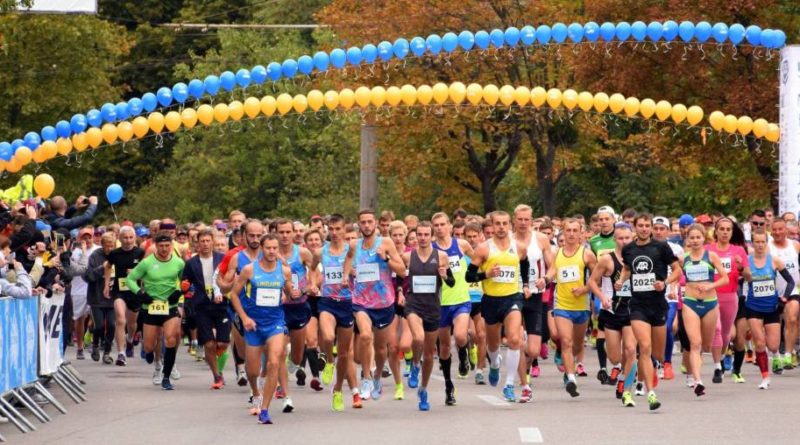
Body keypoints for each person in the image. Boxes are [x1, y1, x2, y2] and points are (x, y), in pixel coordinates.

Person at [616, 213, 681, 411]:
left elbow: (677, 270)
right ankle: (648, 393)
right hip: (638, 305)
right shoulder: (629, 249)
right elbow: (627, 268)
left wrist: (665, 283)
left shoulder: (661, 247)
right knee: (643, 347)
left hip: (658, 305)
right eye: (641, 225)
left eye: (647, 225)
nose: (644, 229)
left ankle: (652, 370)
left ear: (651, 228)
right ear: (635, 227)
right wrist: (622, 280)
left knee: (657, 355)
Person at [228, 233, 296, 425]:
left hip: (275, 323)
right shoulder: (250, 270)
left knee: (274, 362)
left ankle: (265, 410)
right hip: (254, 325)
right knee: (252, 371)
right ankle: (256, 392)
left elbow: (290, 293)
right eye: (268, 248)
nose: (272, 251)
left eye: (275, 248)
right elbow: (233, 295)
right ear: (262, 249)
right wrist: (245, 318)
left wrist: (293, 292)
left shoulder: (284, 271)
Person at [466, 211, 530, 402]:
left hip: (513, 298)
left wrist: (526, 284)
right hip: (491, 301)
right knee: (493, 345)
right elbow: (469, 276)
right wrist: (486, 275)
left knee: (514, 339)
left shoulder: (519, 247)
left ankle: (509, 384)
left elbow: (524, 265)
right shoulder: (484, 249)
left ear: (510, 225)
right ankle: (494, 364)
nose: (501, 227)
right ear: (492, 226)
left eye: (504, 223)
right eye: (497, 224)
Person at [343, 209, 406, 401]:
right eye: (363, 222)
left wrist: (386, 258)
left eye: (370, 221)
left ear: (376, 223)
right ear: (359, 224)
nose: (367, 225)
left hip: (384, 302)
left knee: (380, 350)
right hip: (361, 301)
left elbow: (402, 271)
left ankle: (377, 374)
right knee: (365, 335)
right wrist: (346, 275)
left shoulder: (385, 243)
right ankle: (366, 378)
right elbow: (348, 260)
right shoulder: (354, 245)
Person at [310, 214, 362, 411]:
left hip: (347, 303)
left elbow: (362, 272)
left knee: (344, 354)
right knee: (328, 336)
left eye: (338, 229)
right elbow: (312, 270)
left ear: (344, 229)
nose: (334, 232)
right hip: (327, 301)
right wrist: (313, 284)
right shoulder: (320, 252)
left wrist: (353, 274)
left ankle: (338, 389)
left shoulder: (352, 251)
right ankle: (329, 362)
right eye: (331, 229)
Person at [402, 221, 455, 410]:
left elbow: (451, 283)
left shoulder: (441, 256)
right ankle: (415, 364)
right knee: (418, 338)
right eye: (420, 235)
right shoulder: (408, 256)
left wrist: (444, 276)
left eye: (426, 235)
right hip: (413, 305)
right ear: (415, 236)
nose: (423, 238)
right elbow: (398, 277)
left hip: (433, 307)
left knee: (430, 353)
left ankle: (423, 390)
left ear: (431, 236)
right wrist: (400, 291)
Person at [125, 231, 185, 390]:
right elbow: (130, 279)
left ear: (171, 246)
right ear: (156, 246)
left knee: (170, 339)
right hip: (150, 307)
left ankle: (166, 377)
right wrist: (140, 293)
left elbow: (184, 281)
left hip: (169, 306)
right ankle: (150, 354)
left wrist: (178, 292)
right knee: (149, 347)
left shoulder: (179, 263)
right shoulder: (147, 263)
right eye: (161, 246)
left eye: (167, 246)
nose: (164, 249)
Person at [546, 218, 597, 398]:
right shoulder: (557, 253)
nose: (571, 234)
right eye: (568, 230)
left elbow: (597, 278)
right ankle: (571, 378)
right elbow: (553, 270)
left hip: (581, 306)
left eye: (575, 230)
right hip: (562, 304)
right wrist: (545, 279)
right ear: (563, 232)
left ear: (581, 233)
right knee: (566, 341)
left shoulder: (587, 254)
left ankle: (569, 367)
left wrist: (584, 289)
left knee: (576, 345)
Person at [588, 223, 637, 406]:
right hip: (611, 310)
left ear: (632, 238)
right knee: (615, 356)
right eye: (620, 238)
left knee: (631, 350)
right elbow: (592, 282)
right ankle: (619, 367)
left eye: (627, 238)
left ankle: (625, 384)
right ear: (614, 239)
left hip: (633, 310)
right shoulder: (607, 260)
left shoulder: (639, 258)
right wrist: (602, 298)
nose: (624, 241)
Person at [431, 212, 474, 404]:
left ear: (449, 225)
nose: (440, 228)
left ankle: (463, 353)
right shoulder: (430, 249)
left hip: (461, 299)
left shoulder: (461, 244)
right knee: (444, 347)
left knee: (461, 336)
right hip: (440, 303)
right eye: (436, 225)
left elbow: (478, 260)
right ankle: (449, 387)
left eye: (443, 224)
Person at [681, 224, 729, 396]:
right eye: (692, 238)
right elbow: (675, 276)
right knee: (695, 343)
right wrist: (670, 287)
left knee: (706, 345)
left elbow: (725, 278)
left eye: (698, 237)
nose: (695, 241)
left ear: (704, 238)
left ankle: (695, 369)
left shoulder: (711, 256)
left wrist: (710, 286)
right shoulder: (683, 258)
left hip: (710, 303)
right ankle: (697, 381)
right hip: (690, 303)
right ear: (687, 239)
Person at [743, 232, 794, 389]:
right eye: (757, 242)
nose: (760, 245)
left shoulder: (775, 261)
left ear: (767, 243)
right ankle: (765, 377)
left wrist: (784, 298)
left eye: (762, 242)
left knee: (773, 345)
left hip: (771, 307)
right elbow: (739, 282)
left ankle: (776, 354)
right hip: (753, 306)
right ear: (752, 243)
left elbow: (790, 281)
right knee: (759, 343)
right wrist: (740, 297)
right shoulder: (747, 261)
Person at [512, 205, 553, 402]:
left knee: (534, 350)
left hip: (535, 295)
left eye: (526, 219)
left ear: (531, 220)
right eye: (519, 219)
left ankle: (524, 368)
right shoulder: (507, 240)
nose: (523, 223)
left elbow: (553, 267)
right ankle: (524, 385)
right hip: (513, 294)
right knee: (518, 341)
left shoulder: (541, 239)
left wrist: (545, 279)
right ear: (514, 219)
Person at [275, 219, 319, 390]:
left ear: (293, 233)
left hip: (299, 307)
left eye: (288, 232)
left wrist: (308, 288)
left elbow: (316, 272)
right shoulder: (271, 253)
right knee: (278, 349)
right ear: (275, 233)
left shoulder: (302, 253)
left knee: (297, 356)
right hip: (279, 308)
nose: (285, 235)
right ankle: (279, 384)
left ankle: (292, 363)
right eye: (281, 232)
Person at [182, 229, 228, 389]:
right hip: (201, 306)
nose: (206, 244)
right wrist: (185, 287)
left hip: (221, 304)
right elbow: (185, 282)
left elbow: (231, 277)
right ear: (197, 244)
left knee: (222, 343)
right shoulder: (191, 263)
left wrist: (225, 290)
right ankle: (217, 375)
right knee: (208, 344)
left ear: (213, 242)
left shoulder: (222, 259)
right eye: (202, 241)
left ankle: (216, 358)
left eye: (208, 241)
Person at [705, 218, 748, 383]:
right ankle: (717, 367)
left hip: (730, 296)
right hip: (711, 296)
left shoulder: (739, 251)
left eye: (728, 229)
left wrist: (741, 267)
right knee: (716, 329)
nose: (724, 232)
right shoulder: (707, 250)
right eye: (721, 229)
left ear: (732, 232)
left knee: (725, 334)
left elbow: (749, 276)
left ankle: (721, 358)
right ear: (716, 231)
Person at [104, 226, 145, 366]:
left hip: (135, 291)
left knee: (132, 323)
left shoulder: (140, 252)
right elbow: (107, 266)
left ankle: (130, 339)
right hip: (119, 290)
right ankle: (121, 354)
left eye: (130, 237)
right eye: (125, 238)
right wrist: (106, 285)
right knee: (120, 320)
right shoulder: (114, 253)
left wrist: (136, 273)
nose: (128, 240)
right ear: (120, 239)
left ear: (135, 238)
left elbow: (147, 271)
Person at [589, 206, 617, 385]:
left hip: (621, 287)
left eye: (607, 219)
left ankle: (618, 365)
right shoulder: (594, 241)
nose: (604, 222)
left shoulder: (621, 237)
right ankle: (603, 368)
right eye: (601, 219)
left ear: (613, 220)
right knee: (602, 326)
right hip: (602, 288)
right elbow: (592, 265)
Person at [768, 218, 800, 370]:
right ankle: (775, 355)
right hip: (771, 291)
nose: (777, 232)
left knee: (792, 319)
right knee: (772, 327)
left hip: (792, 290)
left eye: (780, 229)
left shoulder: (795, 245)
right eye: (774, 229)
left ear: (786, 230)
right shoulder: (767, 247)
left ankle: (788, 354)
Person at [84, 233, 117, 365]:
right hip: (96, 297)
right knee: (99, 326)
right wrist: (101, 267)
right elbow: (88, 276)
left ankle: (107, 352)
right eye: (107, 246)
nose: (110, 249)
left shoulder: (117, 256)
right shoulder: (95, 256)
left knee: (112, 325)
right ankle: (95, 345)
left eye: (112, 246)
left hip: (112, 298)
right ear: (102, 245)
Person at [463, 223, 487, 384]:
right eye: (469, 237)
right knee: (468, 334)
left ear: (480, 236)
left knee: (481, 335)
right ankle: (469, 350)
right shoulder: (461, 256)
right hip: (465, 299)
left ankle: (479, 371)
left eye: (474, 236)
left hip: (481, 298)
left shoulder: (485, 254)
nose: (472, 239)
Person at [69, 227, 98, 360]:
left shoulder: (98, 250)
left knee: (97, 316)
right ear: (79, 239)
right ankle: (80, 347)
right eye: (84, 238)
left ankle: (91, 338)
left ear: (93, 237)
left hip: (94, 288)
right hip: (79, 289)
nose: (87, 240)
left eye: (89, 237)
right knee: (79, 318)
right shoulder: (74, 253)